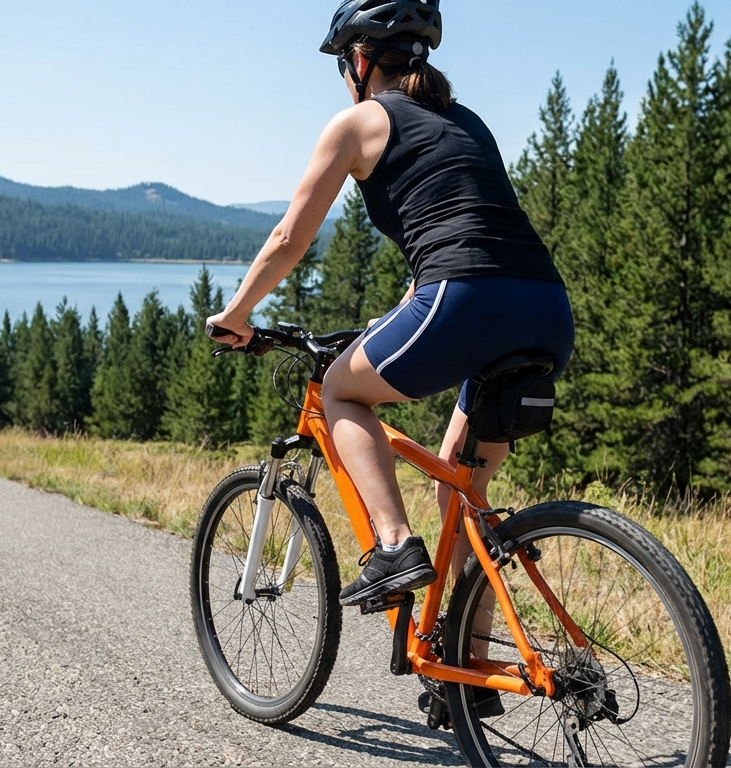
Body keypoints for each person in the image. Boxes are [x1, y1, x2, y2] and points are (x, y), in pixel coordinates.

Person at [205, 0, 574, 608]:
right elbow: (464, 230)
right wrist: (401, 313)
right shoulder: (467, 121)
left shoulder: (358, 123)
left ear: (359, 60)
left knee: (340, 391)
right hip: (548, 310)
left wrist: (236, 314)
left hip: (466, 299)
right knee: (462, 494)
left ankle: (395, 545)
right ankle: (468, 658)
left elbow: (290, 237)